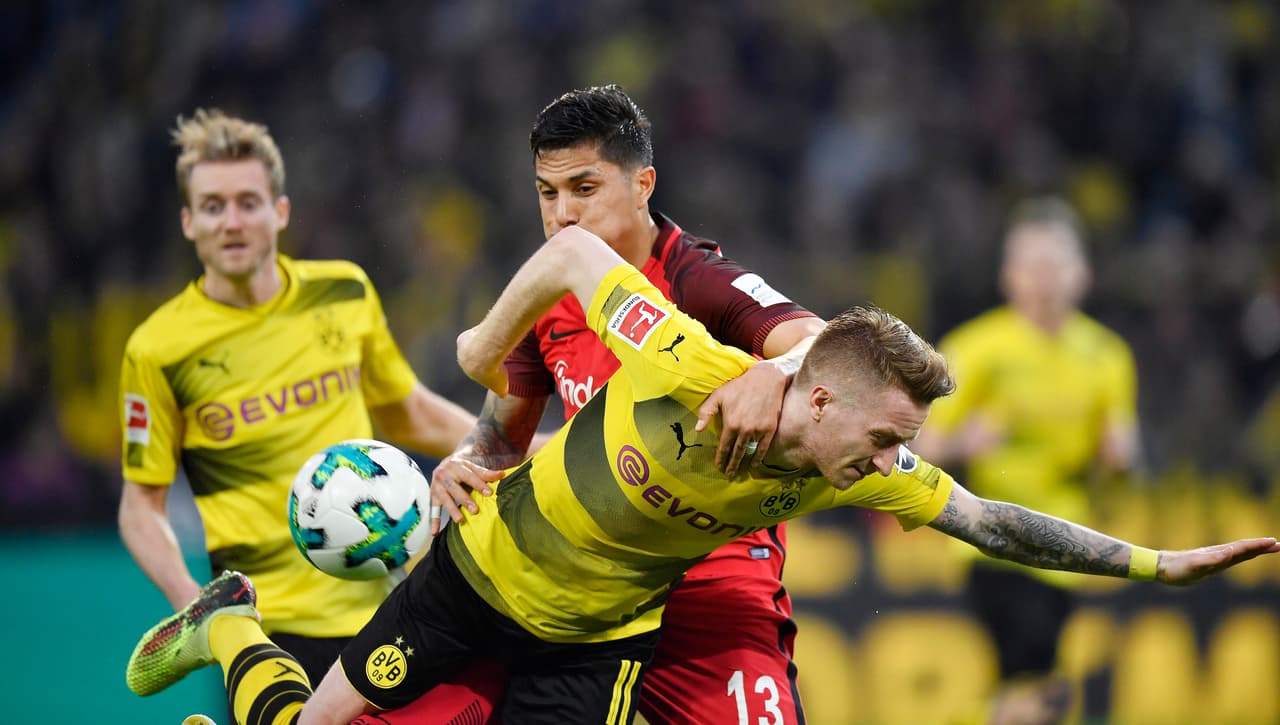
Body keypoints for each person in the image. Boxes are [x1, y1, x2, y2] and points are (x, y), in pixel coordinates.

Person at [126, 223, 1278, 725]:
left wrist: (1160, 564)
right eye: (883, 436)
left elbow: (990, 519)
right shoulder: (684, 357)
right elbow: (577, 254)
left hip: (600, 637)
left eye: (899, 445)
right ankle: (231, 624)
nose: (896, 461)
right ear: (816, 397)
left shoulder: (849, 468)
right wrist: (484, 350)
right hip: (474, 577)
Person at [425, 83, 826, 725]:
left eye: (585, 190)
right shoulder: (543, 296)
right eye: (546, 193)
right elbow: (501, 438)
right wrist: (465, 460)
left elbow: (824, 346)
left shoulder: (698, 279)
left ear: (644, 185)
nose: (562, 216)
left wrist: (771, 372)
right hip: (584, 579)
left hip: (709, 580)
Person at [117, 108, 478, 688]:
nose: (231, 222)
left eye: (248, 202)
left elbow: (404, 408)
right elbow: (141, 506)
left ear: (280, 211)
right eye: (213, 206)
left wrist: (511, 443)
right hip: (266, 633)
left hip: (387, 607)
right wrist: (199, 610)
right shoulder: (158, 349)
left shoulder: (343, 292)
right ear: (188, 222)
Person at [912, 197, 1138, 724]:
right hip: (994, 540)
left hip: (1067, 544)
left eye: (1054, 264)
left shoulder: (1107, 356)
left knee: (1041, 695)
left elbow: (1116, 462)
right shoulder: (976, 349)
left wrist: (1119, 462)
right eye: (1031, 265)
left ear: (1082, 273)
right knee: (1036, 686)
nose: (1043, 279)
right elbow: (917, 447)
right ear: (1007, 276)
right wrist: (965, 442)